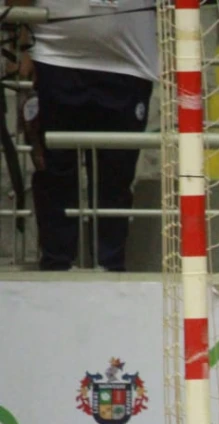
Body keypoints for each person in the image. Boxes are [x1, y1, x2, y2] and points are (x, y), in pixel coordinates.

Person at [17, 0, 157, 271]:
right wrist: (22, 49)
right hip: (52, 57)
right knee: (53, 171)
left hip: (129, 63)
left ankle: (111, 264)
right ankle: (56, 264)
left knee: (116, 175)